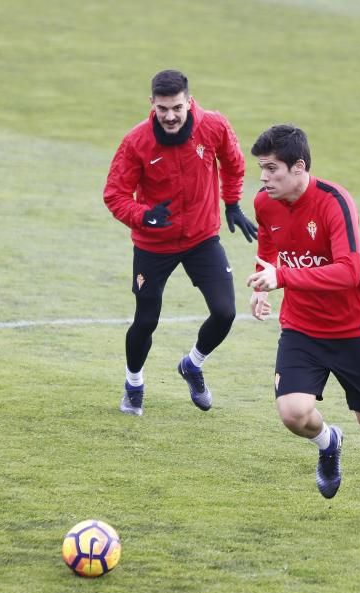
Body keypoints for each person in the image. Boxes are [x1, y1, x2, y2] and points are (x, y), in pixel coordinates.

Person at [246, 124, 360, 528]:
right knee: (293, 413)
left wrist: (282, 278)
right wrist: (262, 283)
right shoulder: (264, 203)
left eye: (271, 169)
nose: (264, 178)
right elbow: (269, 245)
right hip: (302, 327)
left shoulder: (334, 202)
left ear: (299, 166)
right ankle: (328, 441)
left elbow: (349, 272)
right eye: (261, 170)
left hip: (353, 328)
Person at [104, 69, 256, 416]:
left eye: (177, 107)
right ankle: (134, 384)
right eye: (162, 109)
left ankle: (192, 364)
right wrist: (144, 216)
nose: (170, 116)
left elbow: (233, 163)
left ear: (189, 102)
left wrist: (232, 203)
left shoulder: (213, 126)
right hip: (154, 244)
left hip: (202, 238)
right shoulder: (137, 142)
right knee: (146, 321)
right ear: (152, 105)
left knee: (225, 312)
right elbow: (114, 194)